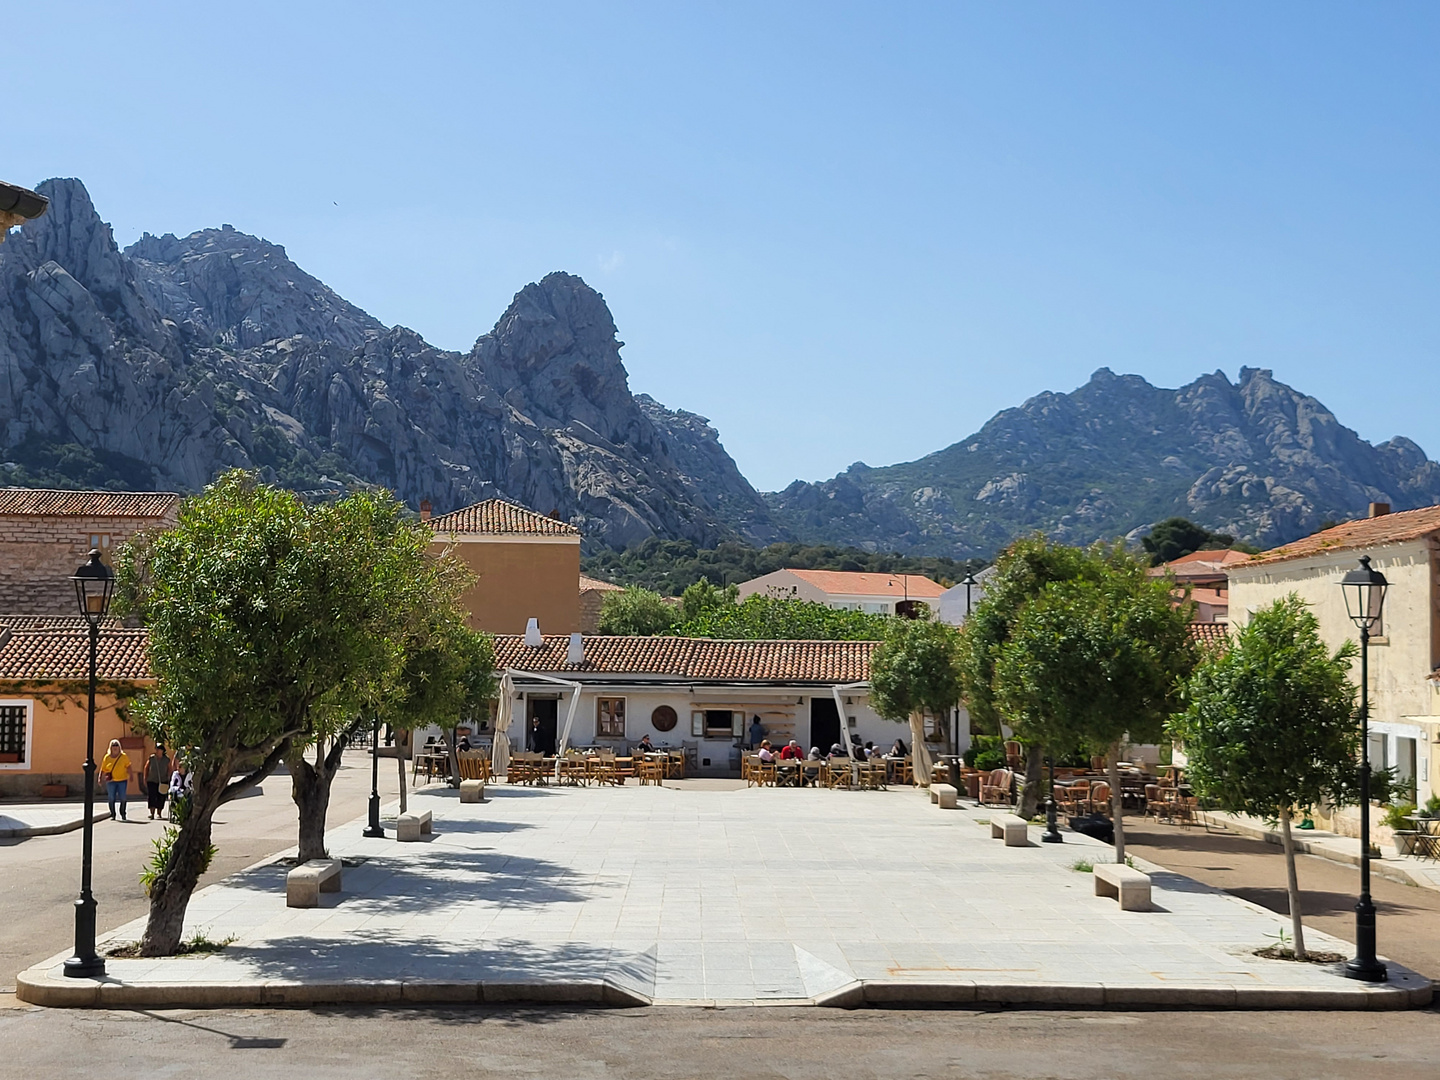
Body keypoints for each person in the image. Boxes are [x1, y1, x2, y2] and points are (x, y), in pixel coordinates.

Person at [99, 739, 135, 821]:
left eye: (116, 745)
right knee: (111, 797)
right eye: (113, 745)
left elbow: (128, 766)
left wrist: (131, 775)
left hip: (122, 780)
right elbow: (103, 768)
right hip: (111, 781)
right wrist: (100, 777)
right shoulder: (107, 757)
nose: (115, 747)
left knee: (123, 797)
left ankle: (123, 813)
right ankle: (113, 814)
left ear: (119, 747)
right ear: (110, 747)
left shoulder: (123, 756)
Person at [144, 743, 170, 821]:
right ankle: (152, 813)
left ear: (163, 750)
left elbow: (170, 769)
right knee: (152, 796)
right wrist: (145, 777)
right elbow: (146, 767)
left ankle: (159, 812)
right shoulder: (152, 758)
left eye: (159, 749)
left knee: (161, 797)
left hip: (163, 781)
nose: (158, 750)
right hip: (152, 780)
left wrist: (169, 777)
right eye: (157, 749)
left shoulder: (166, 759)